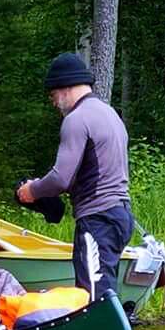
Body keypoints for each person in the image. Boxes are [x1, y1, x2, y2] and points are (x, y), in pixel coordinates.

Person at [17, 52, 134, 299]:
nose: (52, 102)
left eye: (52, 94)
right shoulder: (109, 114)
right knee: (104, 290)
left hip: (98, 219)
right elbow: (93, 172)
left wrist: (31, 191)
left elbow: (61, 178)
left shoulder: (76, 119)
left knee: (93, 297)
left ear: (65, 88)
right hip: (120, 214)